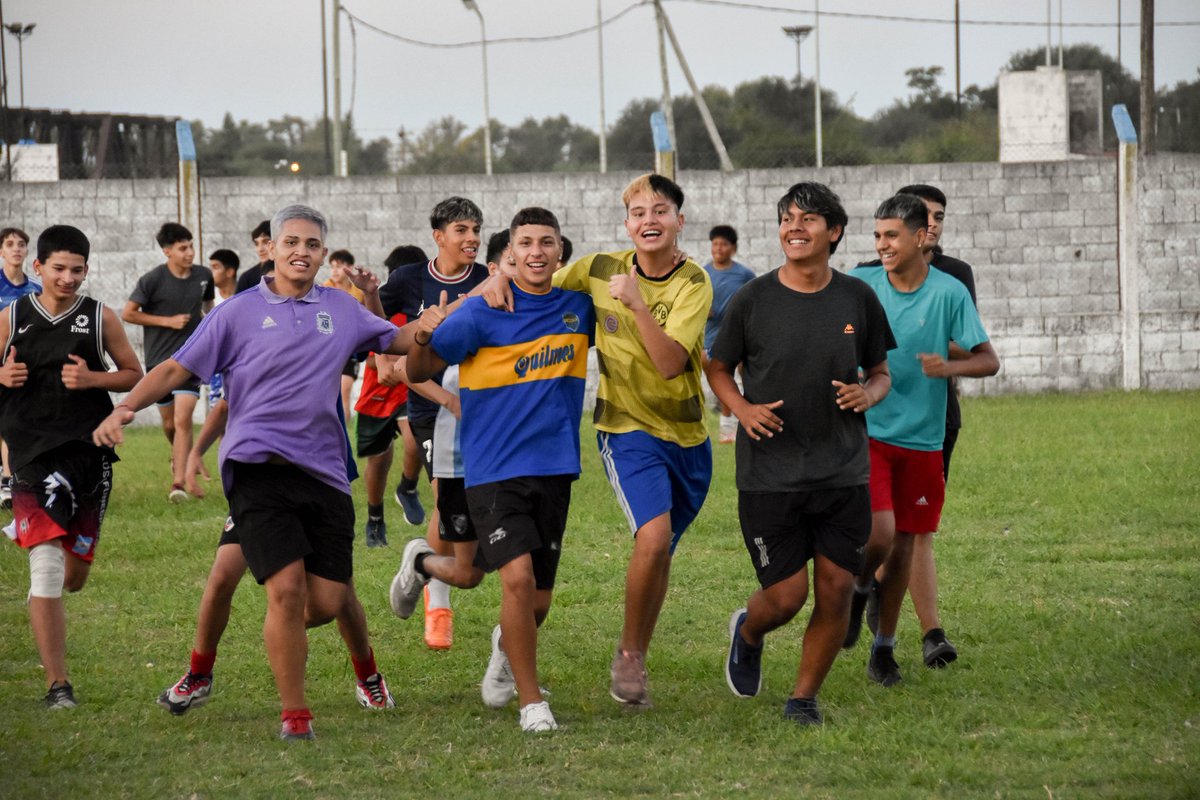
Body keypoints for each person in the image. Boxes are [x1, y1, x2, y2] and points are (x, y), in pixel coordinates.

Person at [94, 204, 416, 741]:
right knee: (269, 587)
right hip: (257, 467)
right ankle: (280, 710)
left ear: (323, 252)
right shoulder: (236, 312)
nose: (301, 252)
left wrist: (438, 323)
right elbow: (177, 369)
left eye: (312, 244)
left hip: (323, 471)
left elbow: (400, 341)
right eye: (291, 241)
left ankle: (366, 671)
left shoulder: (340, 309)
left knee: (332, 601)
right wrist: (128, 407)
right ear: (270, 247)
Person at [488, 173, 713, 706]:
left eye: (660, 211)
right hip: (625, 430)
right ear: (627, 224)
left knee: (660, 553)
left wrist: (636, 304)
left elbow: (669, 363)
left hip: (688, 437)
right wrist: (496, 277)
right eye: (638, 212)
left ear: (680, 220)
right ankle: (630, 657)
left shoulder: (695, 281)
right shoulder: (596, 268)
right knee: (652, 539)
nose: (649, 220)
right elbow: (534, 279)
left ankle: (631, 650)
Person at [395, 207, 593, 732]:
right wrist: (423, 335)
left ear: (559, 251)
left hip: (554, 469)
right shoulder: (481, 311)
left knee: (539, 601)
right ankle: (532, 704)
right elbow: (415, 371)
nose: (535, 252)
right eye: (524, 243)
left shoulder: (580, 309)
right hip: (492, 470)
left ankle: (504, 654)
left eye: (546, 242)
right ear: (508, 255)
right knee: (518, 580)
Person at [707, 182, 893, 726]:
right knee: (786, 597)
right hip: (769, 473)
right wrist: (740, 410)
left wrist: (869, 393)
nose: (794, 226)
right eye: (787, 217)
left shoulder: (857, 298)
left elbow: (881, 372)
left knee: (835, 591)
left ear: (833, 232)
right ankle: (748, 629)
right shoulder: (753, 299)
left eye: (808, 219)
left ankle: (803, 698)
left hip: (841, 472)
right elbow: (717, 368)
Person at [846, 194, 998, 687]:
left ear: (919, 236)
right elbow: (836, 336)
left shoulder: (950, 292)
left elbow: (987, 359)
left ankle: (884, 649)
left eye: (891, 236)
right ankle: (860, 585)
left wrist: (948, 366)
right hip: (869, 431)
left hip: (924, 438)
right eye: (877, 236)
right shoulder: (861, 283)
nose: (881, 245)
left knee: (908, 544)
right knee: (881, 533)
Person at [0, 224, 143, 708]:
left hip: (88, 453)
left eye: (77, 270)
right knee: (44, 565)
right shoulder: (11, 316)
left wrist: (91, 378)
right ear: (37, 267)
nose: (68, 278)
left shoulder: (99, 317)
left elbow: (132, 376)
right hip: (31, 455)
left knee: (76, 573)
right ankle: (58, 685)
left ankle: (47, 600)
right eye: (58, 268)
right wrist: (2, 374)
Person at [379, 197, 490, 650]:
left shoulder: (488, 279)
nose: (471, 239)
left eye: (476, 230)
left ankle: (429, 564)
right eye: (461, 230)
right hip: (430, 411)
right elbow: (386, 344)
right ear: (438, 236)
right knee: (446, 498)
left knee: (475, 511)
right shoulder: (408, 279)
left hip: (480, 411)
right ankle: (438, 604)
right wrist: (444, 396)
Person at [122, 222, 214, 502]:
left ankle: (178, 483)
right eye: (183, 248)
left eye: (191, 246)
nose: (190, 253)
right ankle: (179, 456)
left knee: (183, 417)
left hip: (191, 359)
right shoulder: (153, 280)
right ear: (167, 251)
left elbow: (209, 309)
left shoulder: (204, 275)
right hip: (159, 361)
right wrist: (166, 321)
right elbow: (128, 313)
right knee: (169, 424)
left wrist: (210, 332)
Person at [357, 245, 429, 547]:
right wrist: (385, 359)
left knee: (414, 439)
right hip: (377, 391)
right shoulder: (381, 306)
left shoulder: (421, 310)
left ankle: (408, 487)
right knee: (379, 459)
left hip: (408, 387)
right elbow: (369, 356)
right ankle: (375, 518)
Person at [701, 225, 756, 444]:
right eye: (715, 244)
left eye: (724, 244)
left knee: (748, 379)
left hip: (741, 335)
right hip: (712, 337)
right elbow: (694, 302)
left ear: (733, 248)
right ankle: (727, 427)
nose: (719, 248)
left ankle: (750, 418)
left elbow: (756, 300)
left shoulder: (744, 274)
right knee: (722, 379)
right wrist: (703, 309)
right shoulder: (703, 273)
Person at [0, 226, 40, 508]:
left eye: (22, 244)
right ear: (1, 251)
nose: (16, 248)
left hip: (23, 366)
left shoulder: (35, 290)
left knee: (13, 423)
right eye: (10, 244)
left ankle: (7, 480)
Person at [324, 249, 366, 421]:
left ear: (349, 268)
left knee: (344, 391)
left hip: (350, 350)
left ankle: (345, 431)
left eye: (339, 267)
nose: (334, 271)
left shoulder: (359, 292)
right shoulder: (324, 289)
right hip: (327, 349)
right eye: (332, 267)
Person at [234, 220, 273, 293]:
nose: (260, 249)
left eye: (265, 242)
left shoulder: (291, 273)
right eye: (257, 244)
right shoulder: (247, 278)